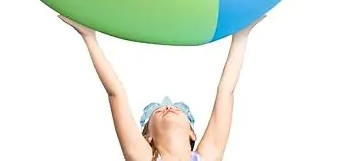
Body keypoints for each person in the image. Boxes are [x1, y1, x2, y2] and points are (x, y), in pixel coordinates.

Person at [59, 14, 266, 161]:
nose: (168, 107)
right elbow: (116, 94)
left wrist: (241, 35)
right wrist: (89, 38)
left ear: (192, 134)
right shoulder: (142, 157)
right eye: (157, 111)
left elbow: (225, 91)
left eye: (168, 109)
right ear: (148, 137)